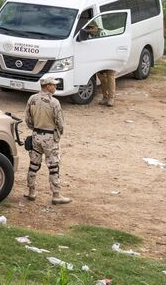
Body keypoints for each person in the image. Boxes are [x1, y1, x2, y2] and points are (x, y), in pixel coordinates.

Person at [25, 76, 72, 205]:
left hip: (36, 135)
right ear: (47, 86)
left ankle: (31, 191)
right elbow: (60, 123)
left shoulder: (32, 99)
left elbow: (28, 120)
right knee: (53, 167)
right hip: (50, 137)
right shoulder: (54, 102)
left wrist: (35, 128)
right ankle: (56, 194)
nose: (55, 87)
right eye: (53, 85)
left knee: (34, 165)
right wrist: (58, 133)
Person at [81, 14, 116, 107]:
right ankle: (105, 97)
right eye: (89, 28)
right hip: (97, 59)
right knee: (102, 79)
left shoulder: (102, 33)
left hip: (108, 57)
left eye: (92, 28)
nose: (90, 30)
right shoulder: (88, 36)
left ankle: (111, 98)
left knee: (110, 77)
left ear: (96, 27)